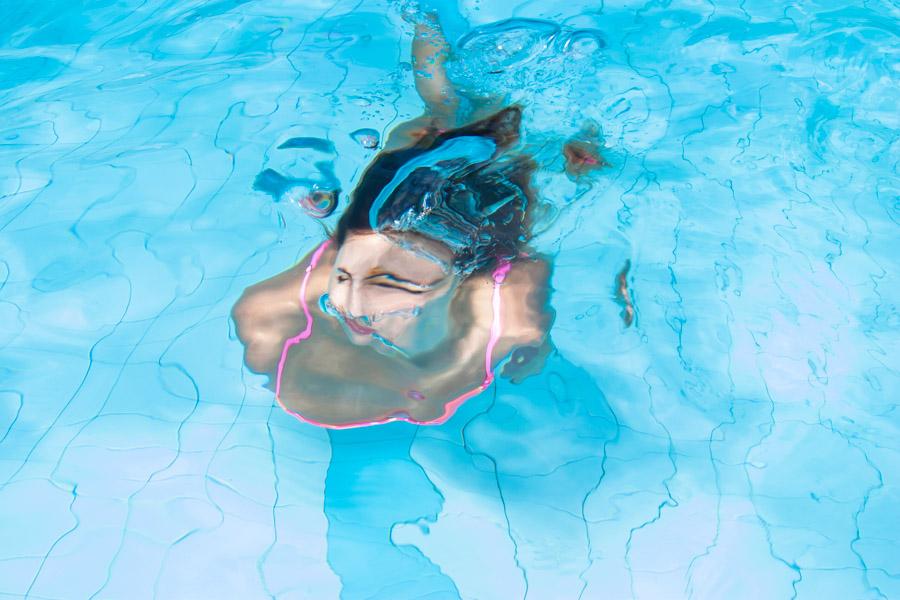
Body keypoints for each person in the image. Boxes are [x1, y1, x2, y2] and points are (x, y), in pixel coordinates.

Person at [232, 12, 554, 428]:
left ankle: (427, 19)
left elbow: (527, 314)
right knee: (458, 121)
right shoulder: (491, 308)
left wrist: (533, 347)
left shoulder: (493, 318)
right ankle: (427, 21)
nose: (351, 306)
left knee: (450, 118)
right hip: (401, 218)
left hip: (385, 216)